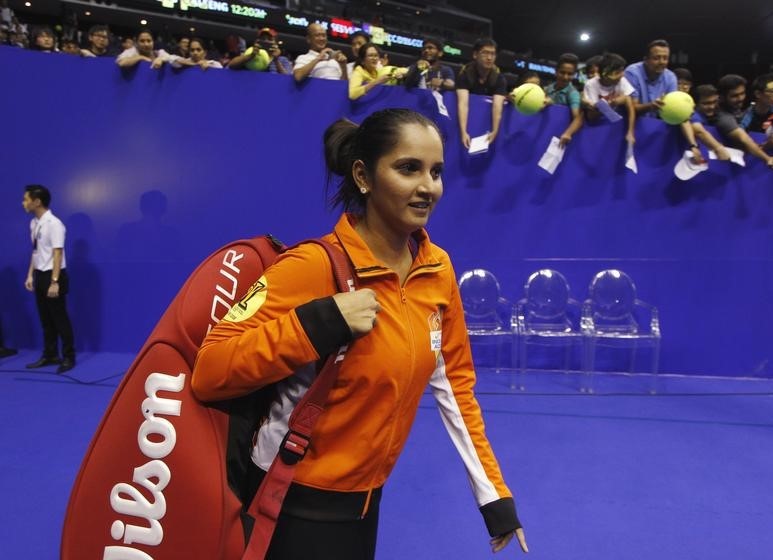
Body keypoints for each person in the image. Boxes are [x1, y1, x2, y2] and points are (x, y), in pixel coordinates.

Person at [192, 108, 527, 560]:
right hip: (287, 499)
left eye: (436, 172)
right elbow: (211, 370)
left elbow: (456, 387)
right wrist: (318, 323)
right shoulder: (312, 265)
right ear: (363, 177)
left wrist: (494, 497)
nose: (428, 186)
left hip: (365, 503)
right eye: (408, 168)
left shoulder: (438, 269)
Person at [22, 184, 76, 373]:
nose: (24, 203)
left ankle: (69, 357)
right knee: (45, 319)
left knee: (60, 319)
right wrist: (30, 274)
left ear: (37, 202)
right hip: (39, 275)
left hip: (54, 275)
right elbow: (36, 251)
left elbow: (57, 254)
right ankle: (50, 354)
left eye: (26, 199)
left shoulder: (55, 224)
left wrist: (54, 282)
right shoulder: (34, 224)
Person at [691, 84, 773, 168]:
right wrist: (718, 148)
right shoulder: (693, 114)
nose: (712, 106)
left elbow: (744, 141)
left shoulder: (721, 114)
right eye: (706, 103)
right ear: (695, 103)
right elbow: (700, 131)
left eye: (714, 102)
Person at [456, 38, 508, 150]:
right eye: (485, 53)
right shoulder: (465, 75)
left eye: (493, 54)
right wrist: (463, 132)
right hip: (469, 122)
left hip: (485, 126)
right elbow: (463, 104)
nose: (489, 58)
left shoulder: (499, 79)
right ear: (475, 55)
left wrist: (495, 130)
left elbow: (497, 105)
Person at [582, 52, 636, 145]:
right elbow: (592, 116)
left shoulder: (621, 80)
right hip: (594, 128)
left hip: (615, 130)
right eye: (618, 72)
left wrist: (630, 132)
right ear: (606, 74)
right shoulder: (591, 84)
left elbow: (630, 105)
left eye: (622, 71)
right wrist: (608, 105)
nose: (622, 75)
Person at [624, 39, 677, 117]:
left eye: (665, 58)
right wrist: (650, 106)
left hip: (658, 121)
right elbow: (630, 108)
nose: (661, 62)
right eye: (656, 58)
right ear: (645, 60)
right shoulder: (632, 73)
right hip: (633, 120)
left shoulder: (671, 77)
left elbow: (671, 108)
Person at [543, 53, 583, 147]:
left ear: (574, 75)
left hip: (558, 137)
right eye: (562, 72)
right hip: (544, 133)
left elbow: (577, 117)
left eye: (570, 74)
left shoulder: (573, 94)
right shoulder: (548, 89)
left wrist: (568, 133)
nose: (565, 77)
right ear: (556, 71)